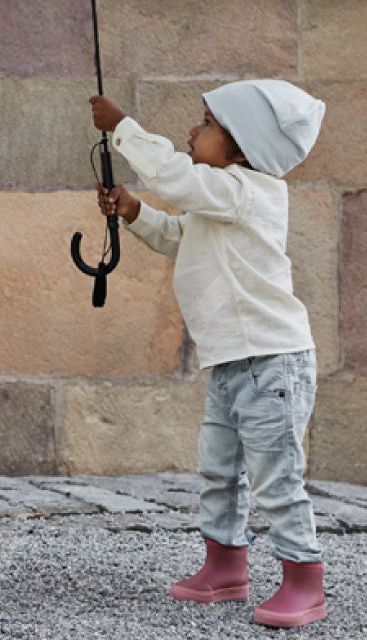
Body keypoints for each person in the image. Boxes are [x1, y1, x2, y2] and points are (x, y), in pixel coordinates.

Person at [89, 79, 327, 629]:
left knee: (276, 478)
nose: (194, 130)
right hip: (229, 363)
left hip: (272, 364)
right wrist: (133, 211)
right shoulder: (222, 196)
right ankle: (225, 567)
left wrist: (123, 127)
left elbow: (174, 175)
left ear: (242, 149)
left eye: (209, 125)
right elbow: (180, 235)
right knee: (219, 470)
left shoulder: (246, 190)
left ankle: (303, 581)